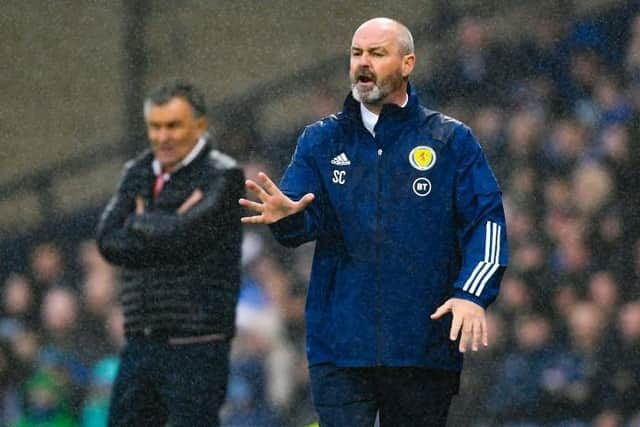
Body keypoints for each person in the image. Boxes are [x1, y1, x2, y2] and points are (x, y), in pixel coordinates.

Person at [239, 18, 508, 426]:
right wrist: (285, 218)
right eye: (356, 53)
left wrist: (472, 294)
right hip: (340, 345)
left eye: (377, 54)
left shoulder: (450, 141)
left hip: (421, 344)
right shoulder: (320, 140)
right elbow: (298, 219)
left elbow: (487, 222)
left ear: (407, 64)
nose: (363, 63)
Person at [96, 80, 244, 427]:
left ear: (199, 126)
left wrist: (138, 220)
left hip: (196, 343)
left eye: (173, 126)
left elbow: (188, 237)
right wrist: (167, 222)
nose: (163, 137)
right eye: (156, 127)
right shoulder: (137, 172)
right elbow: (107, 240)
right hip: (141, 340)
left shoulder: (223, 176)